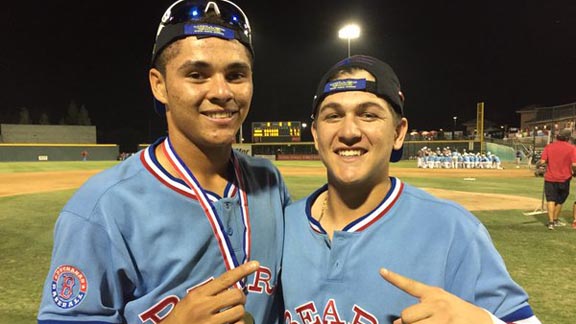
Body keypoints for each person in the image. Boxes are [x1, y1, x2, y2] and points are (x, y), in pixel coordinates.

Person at [37, 1, 291, 323]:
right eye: (197, 75)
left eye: (236, 74)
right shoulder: (102, 207)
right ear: (160, 85)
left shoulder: (268, 181)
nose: (222, 91)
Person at [281, 55, 541, 323]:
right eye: (333, 116)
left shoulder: (451, 229)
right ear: (315, 133)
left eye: (368, 115)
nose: (349, 131)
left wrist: (483, 322)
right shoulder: (285, 225)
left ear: (398, 133)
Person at [538, 128, 576, 230]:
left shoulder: (549, 146)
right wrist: (574, 172)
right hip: (564, 178)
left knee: (551, 199)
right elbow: (574, 164)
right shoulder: (572, 148)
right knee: (560, 200)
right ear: (568, 138)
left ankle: (551, 222)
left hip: (550, 177)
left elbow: (542, 162)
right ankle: (555, 220)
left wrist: (541, 166)